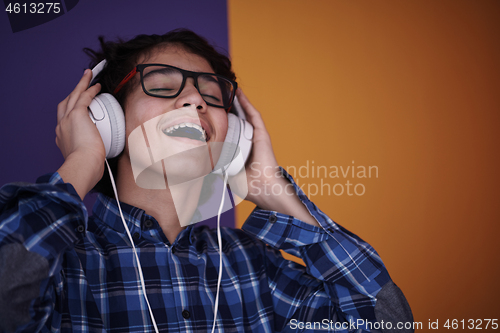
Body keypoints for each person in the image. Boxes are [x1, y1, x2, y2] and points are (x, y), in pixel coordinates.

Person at [0, 29, 413, 332]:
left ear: (233, 136)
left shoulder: (255, 265)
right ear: (106, 120)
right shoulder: (63, 263)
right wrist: (83, 159)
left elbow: (387, 323)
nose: (195, 100)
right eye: (162, 87)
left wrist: (273, 189)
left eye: (212, 98)